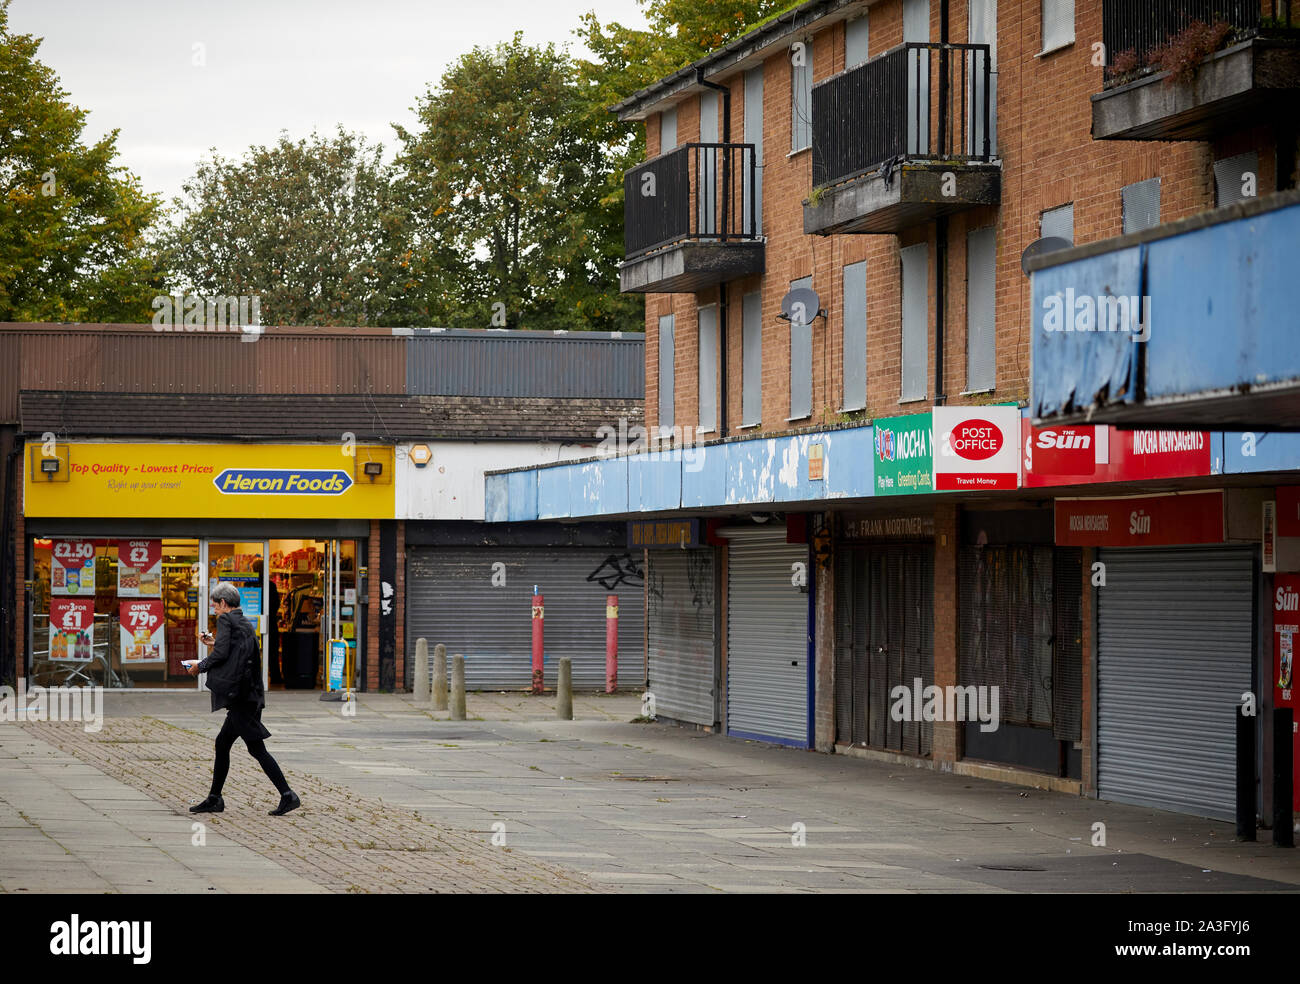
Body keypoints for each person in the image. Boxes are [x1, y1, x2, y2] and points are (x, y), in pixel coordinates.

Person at [187, 582, 301, 816]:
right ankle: (215, 798)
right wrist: (213, 643)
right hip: (250, 695)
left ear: (223, 603)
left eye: (215, 605)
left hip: (241, 698)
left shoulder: (226, 620)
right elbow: (232, 649)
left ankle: (287, 794)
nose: (214, 610)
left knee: (256, 749)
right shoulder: (244, 622)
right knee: (223, 743)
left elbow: (221, 654)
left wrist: (200, 666)